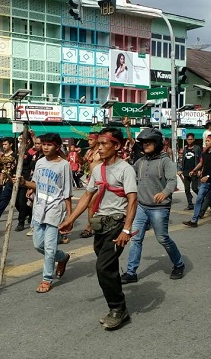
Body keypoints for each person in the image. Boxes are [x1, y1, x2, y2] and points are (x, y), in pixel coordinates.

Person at [59, 127, 137, 331]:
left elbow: (133, 201)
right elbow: (87, 196)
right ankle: (118, 307)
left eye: (104, 144)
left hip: (117, 225)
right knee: (108, 269)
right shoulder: (97, 169)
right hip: (101, 225)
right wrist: (70, 219)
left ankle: (118, 309)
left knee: (103, 268)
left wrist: (126, 230)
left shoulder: (125, 169)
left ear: (117, 146)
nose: (99, 148)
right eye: (98, 143)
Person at [121, 128, 185, 284]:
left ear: (157, 143)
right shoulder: (141, 161)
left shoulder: (165, 161)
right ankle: (131, 272)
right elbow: (129, 172)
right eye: (143, 143)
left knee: (162, 238)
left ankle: (179, 264)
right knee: (135, 239)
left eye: (148, 143)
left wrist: (165, 192)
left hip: (159, 207)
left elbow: (172, 181)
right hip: (141, 206)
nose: (145, 146)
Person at [17, 133, 72, 293]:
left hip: (55, 209)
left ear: (57, 146)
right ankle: (62, 257)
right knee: (38, 244)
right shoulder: (40, 162)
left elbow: (67, 193)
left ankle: (46, 279)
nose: (46, 147)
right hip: (39, 208)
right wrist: (23, 183)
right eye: (44, 144)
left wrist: (70, 216)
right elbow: (35, 184)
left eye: (49, 144)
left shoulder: (64, 165)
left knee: (49, 248)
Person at [183, 133, 211, 228]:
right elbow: (201, 163)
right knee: (198, 200)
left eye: (208, 141)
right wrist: (194, 170)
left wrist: (208, 176)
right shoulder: (205, 153)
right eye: (206, 141)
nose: (206, 142)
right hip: (205, 181)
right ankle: (194, 221)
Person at [178, 133, 202, 210]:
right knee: (187, 189)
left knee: (195, 188)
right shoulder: (185, 149)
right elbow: (183, 160)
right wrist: (181, 170)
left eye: (191, 139)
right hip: (186, 171)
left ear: (194, 140)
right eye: (188, 139)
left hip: (194, 171)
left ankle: (204, 199)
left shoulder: (197, 148)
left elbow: (201, 160)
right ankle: (190, 204)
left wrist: (199, 170)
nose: (189, 141)